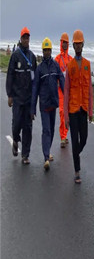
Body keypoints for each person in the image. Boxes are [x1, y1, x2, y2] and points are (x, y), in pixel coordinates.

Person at [63, 30, 93, 183]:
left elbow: (90, 89)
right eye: (76, 44)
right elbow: (66, 91)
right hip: (73, 109)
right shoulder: (70, 66)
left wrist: (91, 110)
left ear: (83, 44)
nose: (78, 46)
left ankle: (76, 153)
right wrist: (66, 116)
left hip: (84, 109)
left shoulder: (87, 64)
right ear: (73, 46)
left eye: (80, 43)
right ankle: (77, 171)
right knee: (74, 140)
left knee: (84, 139)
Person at [31, 38, 65, 170]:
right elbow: (35, 89)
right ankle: (46, 157)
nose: (46, 52)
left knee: (51, 130)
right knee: (46, 130)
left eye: (48, 50)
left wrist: (66, 99)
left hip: (53, 104)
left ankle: (48, 151)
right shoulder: (39, 69)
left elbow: (62, 81)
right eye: (44, 50)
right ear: (42, 51)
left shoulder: (56, 65)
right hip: (44, 105)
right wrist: (32, 109)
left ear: (51, 51)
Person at [6, 27, 37, 164]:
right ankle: (15, 140)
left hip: (29, 98)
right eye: (24, 37)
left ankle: (25, 155)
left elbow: (35, 80)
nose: (26, 39)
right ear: (21, 39)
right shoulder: (15, 56)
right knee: (16, 124)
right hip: (17, 98)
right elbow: (10, 75)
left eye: (27, 37)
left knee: (28, 127)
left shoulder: (32, 57)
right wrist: (10, 95)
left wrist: (35, 99)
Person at [55, 32, 73, 148]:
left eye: (66, 43)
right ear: (61, 43)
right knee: (62, 113)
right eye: (63, 43)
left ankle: (65, 134)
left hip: (69, 91)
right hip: (60, 91)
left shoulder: (71, 60)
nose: (65, 45)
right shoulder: (57, 59)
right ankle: (62, 137)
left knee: (68, 114)